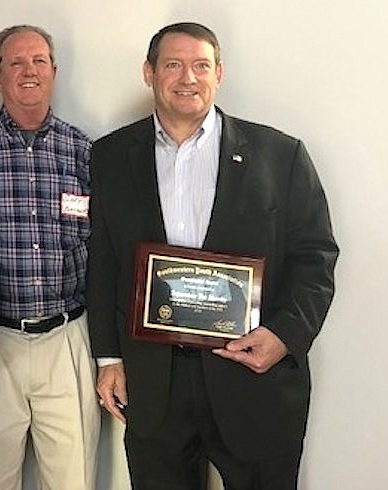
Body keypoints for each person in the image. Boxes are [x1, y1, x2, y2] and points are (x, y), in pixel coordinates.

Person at [87, 22, 339, 490]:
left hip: (252, 377)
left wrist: (285, 336)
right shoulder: (110, 156)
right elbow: (102, 264)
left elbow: (316, 257)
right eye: (173, 65)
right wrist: (107, 359)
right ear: (149, 72)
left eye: (201, 65)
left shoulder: (279, 155)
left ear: (219, 73)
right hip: (153, 381)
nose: (188, 78)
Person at [0, 25, 99, 490]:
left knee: (74, 478)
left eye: (39, 61)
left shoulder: (84, 150)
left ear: (54, 71)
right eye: (16, 63)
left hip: (68, 337)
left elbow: (104, 243)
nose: (29, 71)